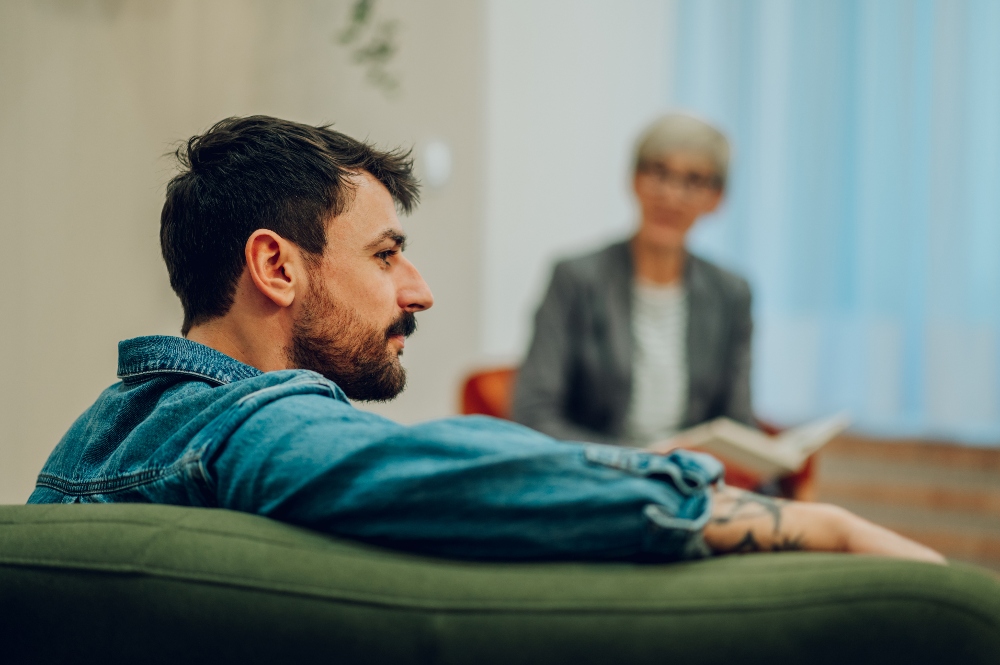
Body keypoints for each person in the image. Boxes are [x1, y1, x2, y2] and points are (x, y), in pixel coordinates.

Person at [28, 116, 941, 565]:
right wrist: (818, 523)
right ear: (276, 266)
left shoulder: (96, 434)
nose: (419, 289)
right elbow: (464, 470)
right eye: (387, 254)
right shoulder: (250, 427)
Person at [513, 113, 752, 448]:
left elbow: (738, 422)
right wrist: (640, 465)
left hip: (689, 479)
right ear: (635, 179)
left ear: (716, 199)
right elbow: (534, 414)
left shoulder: (731, 294)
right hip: (599, 474)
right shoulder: (575, 279)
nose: (670, 194)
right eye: (659, 173)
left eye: (693, 180)